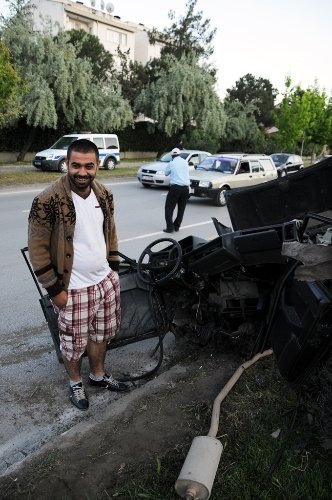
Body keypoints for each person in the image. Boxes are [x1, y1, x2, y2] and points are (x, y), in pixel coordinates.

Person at [28, 139, 129, 411]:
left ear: (97, 165)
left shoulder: (105, 194)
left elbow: (111, 234)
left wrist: (114, 272)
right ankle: (75, 381)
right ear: (67, 163)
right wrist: (54, 290)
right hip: (72, 289)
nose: (82, 172)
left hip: (105, 283)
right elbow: (37, 249)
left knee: (101, 335)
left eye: (88, 166)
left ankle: (97, 375)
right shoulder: (47, 200)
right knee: (73, 345)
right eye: (75, 165)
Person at [163, 148, 190, 233]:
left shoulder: (171, 163)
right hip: (185, 188)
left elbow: (166, 173)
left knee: (169, 208)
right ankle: (177, 226)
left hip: (175, 188)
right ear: (180, 154)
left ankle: (170, 228)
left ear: (172, 156)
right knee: (181, 209)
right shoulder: (185, 162)